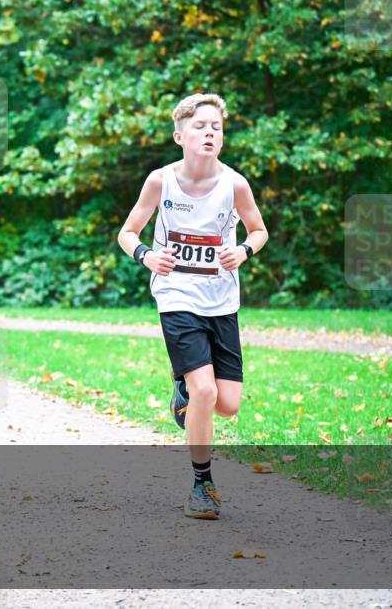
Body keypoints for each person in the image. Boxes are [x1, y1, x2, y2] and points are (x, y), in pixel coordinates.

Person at [117, 93, 268, 519]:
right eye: (200, 126)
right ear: (180, 135)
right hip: (176, 296)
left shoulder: (235, 184)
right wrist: (146, 254)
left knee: (227, 403)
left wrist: (243, 251)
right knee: (206, 390)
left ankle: (182, 388)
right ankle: (202, 484)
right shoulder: (159, 181)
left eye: (216, 127)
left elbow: (258, 230)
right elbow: (128, 231)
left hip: (222, 300)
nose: (209, 133)